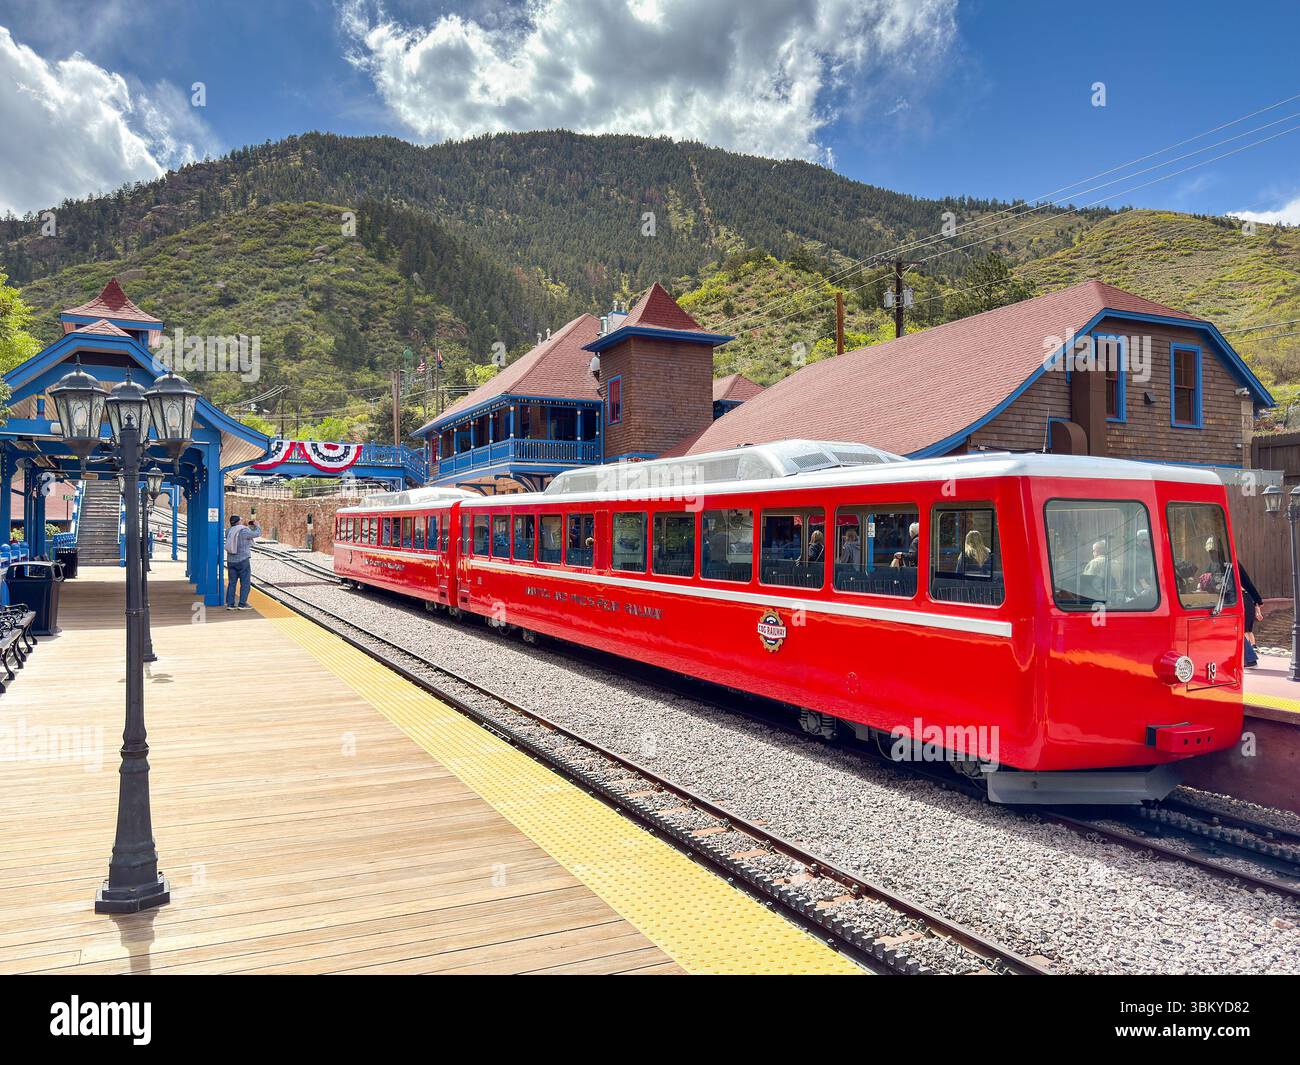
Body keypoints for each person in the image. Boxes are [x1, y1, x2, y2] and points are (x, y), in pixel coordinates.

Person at [225, 514, 261, 611]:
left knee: (232, 583)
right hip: (243, 560)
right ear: (238, 522)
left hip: (231, 561)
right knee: (245, 583)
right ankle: (242, 604)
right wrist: (257, 525)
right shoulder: (244, 530)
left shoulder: (228, 531)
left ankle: (230, 604)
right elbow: (257, 534)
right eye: (240, 520)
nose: (241, 522)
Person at [1240, 560, 1265, 667]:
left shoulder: (1231, 562)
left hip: (1242, 603)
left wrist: (1258, 602)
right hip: (1245, 603)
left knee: (1243, 632)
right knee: (1244, 632)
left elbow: (1247, 583)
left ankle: (1250, 657)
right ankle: (1250, 657)